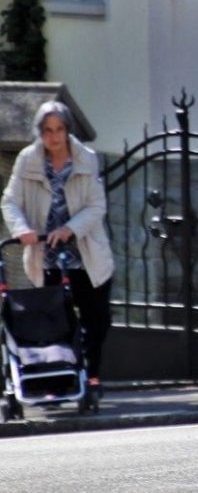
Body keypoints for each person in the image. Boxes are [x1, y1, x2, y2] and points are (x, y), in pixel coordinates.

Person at [2, 100, 115, 394]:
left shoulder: (85, 159)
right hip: (48, 255)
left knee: (96, 320)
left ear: (67, 130)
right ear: (40, 133)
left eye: (59, 130)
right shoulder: (28, 159)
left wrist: (69, 228)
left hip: (86, 252)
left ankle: (92, 376)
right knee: (56, 322)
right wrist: (22, 229)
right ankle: (63, 379)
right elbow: (10, 200)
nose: (54, 137)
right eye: (47, 130)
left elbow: (96, 206)